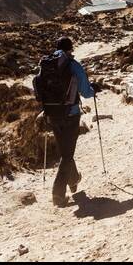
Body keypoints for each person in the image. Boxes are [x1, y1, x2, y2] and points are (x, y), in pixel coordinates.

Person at [32, 36, 97, 207]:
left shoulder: (46, 65)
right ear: (70, 49)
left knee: (65, 151)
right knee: (68, 154)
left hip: (52, 113)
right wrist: (94, 90)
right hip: (71, 114)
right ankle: (58, 194)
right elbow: (85, 91)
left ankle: (74, 179)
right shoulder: (72, 64)